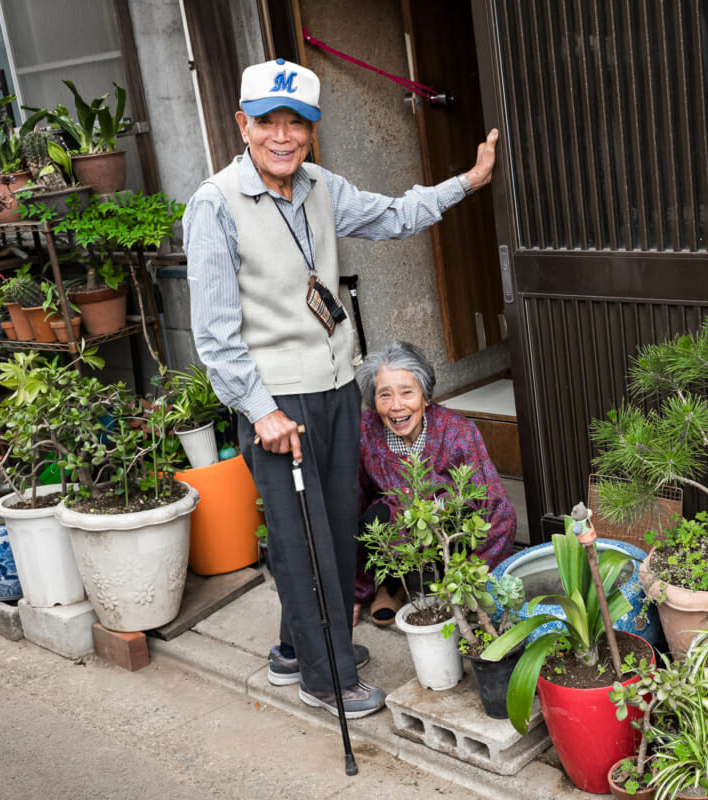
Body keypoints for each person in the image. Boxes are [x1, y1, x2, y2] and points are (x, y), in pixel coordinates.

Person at [183, 58, 499, 719]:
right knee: (301, 540)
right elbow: (213, 334)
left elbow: (394, 215)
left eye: (295, 124)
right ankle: (325, 679)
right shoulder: (216, 205)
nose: (282, 136)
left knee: (336, 529)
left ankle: (295, 651)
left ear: (310, 132)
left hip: (334, 389)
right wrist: (261, 411)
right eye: (267, 122)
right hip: (278, 404)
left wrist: (466, 182)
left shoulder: (322, 186)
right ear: (243, 125)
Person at [355, 342, 516, 624]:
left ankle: (455, 580)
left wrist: (475, 572)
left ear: (425, 397)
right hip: (397, 522)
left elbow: (497, 509)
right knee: (370, 516)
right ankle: (391, 582)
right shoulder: (365, 432)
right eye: (385, 395)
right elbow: (353, 501)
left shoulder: (457, 432)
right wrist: (356, 591)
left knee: (465, 512)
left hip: (447, 525)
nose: (396, 406)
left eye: (407, 392)